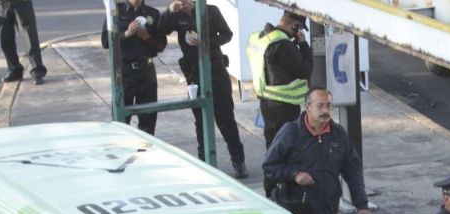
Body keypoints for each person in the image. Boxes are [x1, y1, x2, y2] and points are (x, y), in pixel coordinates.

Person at [261, 87, 371, 214]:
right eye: (320, 106)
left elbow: (352, 170)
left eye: (328, 105)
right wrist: (295, 175)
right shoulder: (291, 133)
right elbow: (270, 166)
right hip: (302, 211)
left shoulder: (338, 135)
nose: (325, 110)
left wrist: (361, 204)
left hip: (328, 212)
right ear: (308, 107)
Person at [158, 0, 247, 178]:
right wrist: (168, 10)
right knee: (200, 120)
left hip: (215, 69)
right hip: (193, 73)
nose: (182, 4)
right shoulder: (177, 15)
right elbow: (159, 29)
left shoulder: (211, 11)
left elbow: (227, 34)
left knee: (226, 118)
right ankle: (204, 162)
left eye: (185, 1)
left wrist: (205, 40)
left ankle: (238, 161)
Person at [247, 11, 313, 148]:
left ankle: (271, 169)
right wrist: (302, 44)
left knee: (272, 146)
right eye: (299, 28)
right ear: (295, 26)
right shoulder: (283, 44)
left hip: (266, 103)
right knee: (286, 148)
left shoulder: (262, 37)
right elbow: (306, 69)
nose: (299, 33)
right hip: (284, 107)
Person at [101, 0, 167, 135]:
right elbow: (106, 42)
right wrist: (127, 34)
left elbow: (161, 45)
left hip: (147, 72)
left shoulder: (152, 14)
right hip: (124, 73)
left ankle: (144, 154)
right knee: (121, 123)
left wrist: (146, 37)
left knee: (148, 123)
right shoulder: (116, 11)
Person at [0, 0, 48, 85]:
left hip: (21, 3)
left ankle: (38, 69)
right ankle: (14, 69)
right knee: (5, 38)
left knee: (29, 35)